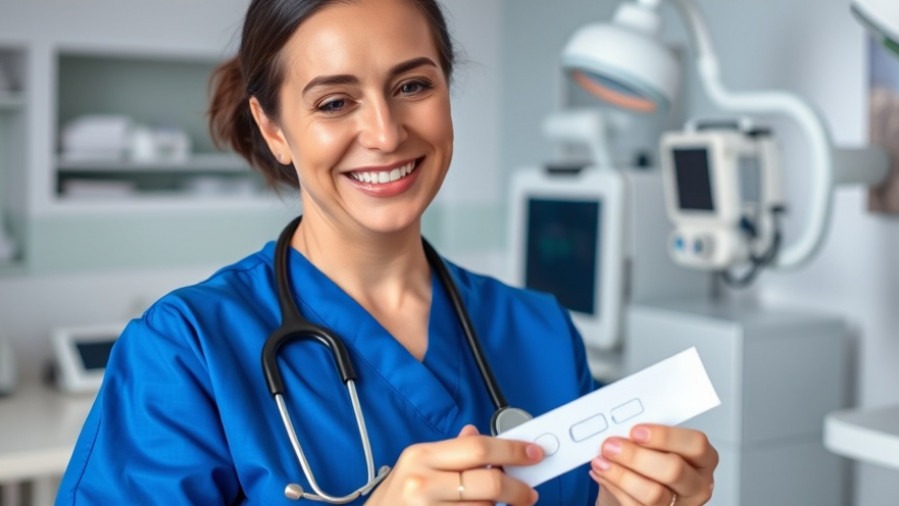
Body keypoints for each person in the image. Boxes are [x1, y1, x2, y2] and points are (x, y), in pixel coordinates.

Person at [55, 0, 718, 504]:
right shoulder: (185, 351)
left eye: (412, 87)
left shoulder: (538, 330)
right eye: (336, 102)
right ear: (272, 127)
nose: (383, 132)